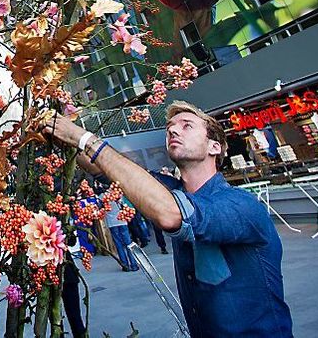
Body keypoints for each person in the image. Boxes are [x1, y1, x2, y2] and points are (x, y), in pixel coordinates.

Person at [46, 101, 293, 337]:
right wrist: (59, 135)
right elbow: (104, 169)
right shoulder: (171, 189)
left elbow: (171, 214)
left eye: (187, 125)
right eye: (169, 128)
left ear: (214, 147)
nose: (173, 129)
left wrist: (85, 139)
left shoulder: (241, 205)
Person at [104, 189, 140, 271]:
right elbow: (125, 206)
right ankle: (134, 265)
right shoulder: (118, 194)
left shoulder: (103, 196)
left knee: (119, 245)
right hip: (122, 221)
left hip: (112, 223)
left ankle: (125, 265)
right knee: (128, 243)